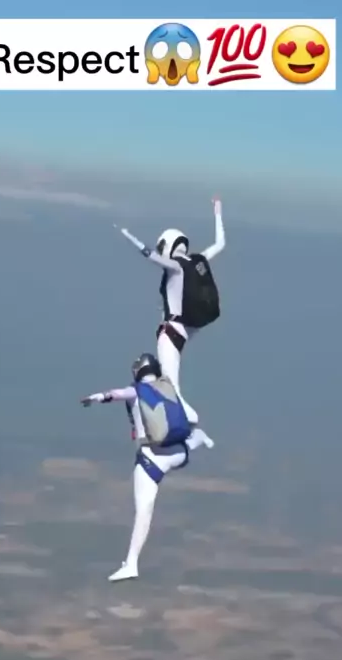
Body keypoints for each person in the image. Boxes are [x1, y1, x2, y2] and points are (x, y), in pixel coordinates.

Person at [81, 352, 214, 582]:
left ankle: (131, 563)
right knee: (185, 450)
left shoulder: (137, 390)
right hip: (175, 454)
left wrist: (96, 397)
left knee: (143, 511)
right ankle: (198, 439)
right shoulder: (168, 389)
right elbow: (192, 416)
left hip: (150, 457)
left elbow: (116, 395)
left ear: (138, 371)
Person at [115, 198, 225, 424]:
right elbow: (220, 243)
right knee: (167, 382)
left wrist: (128, 236)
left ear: (168, 245)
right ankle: (181, 420)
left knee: (171, 386)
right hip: (189, 329)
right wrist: (217, 214)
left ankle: (187, 421)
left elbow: (150, 255)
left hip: (170, 331)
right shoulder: (197, 261)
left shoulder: (175, 267)